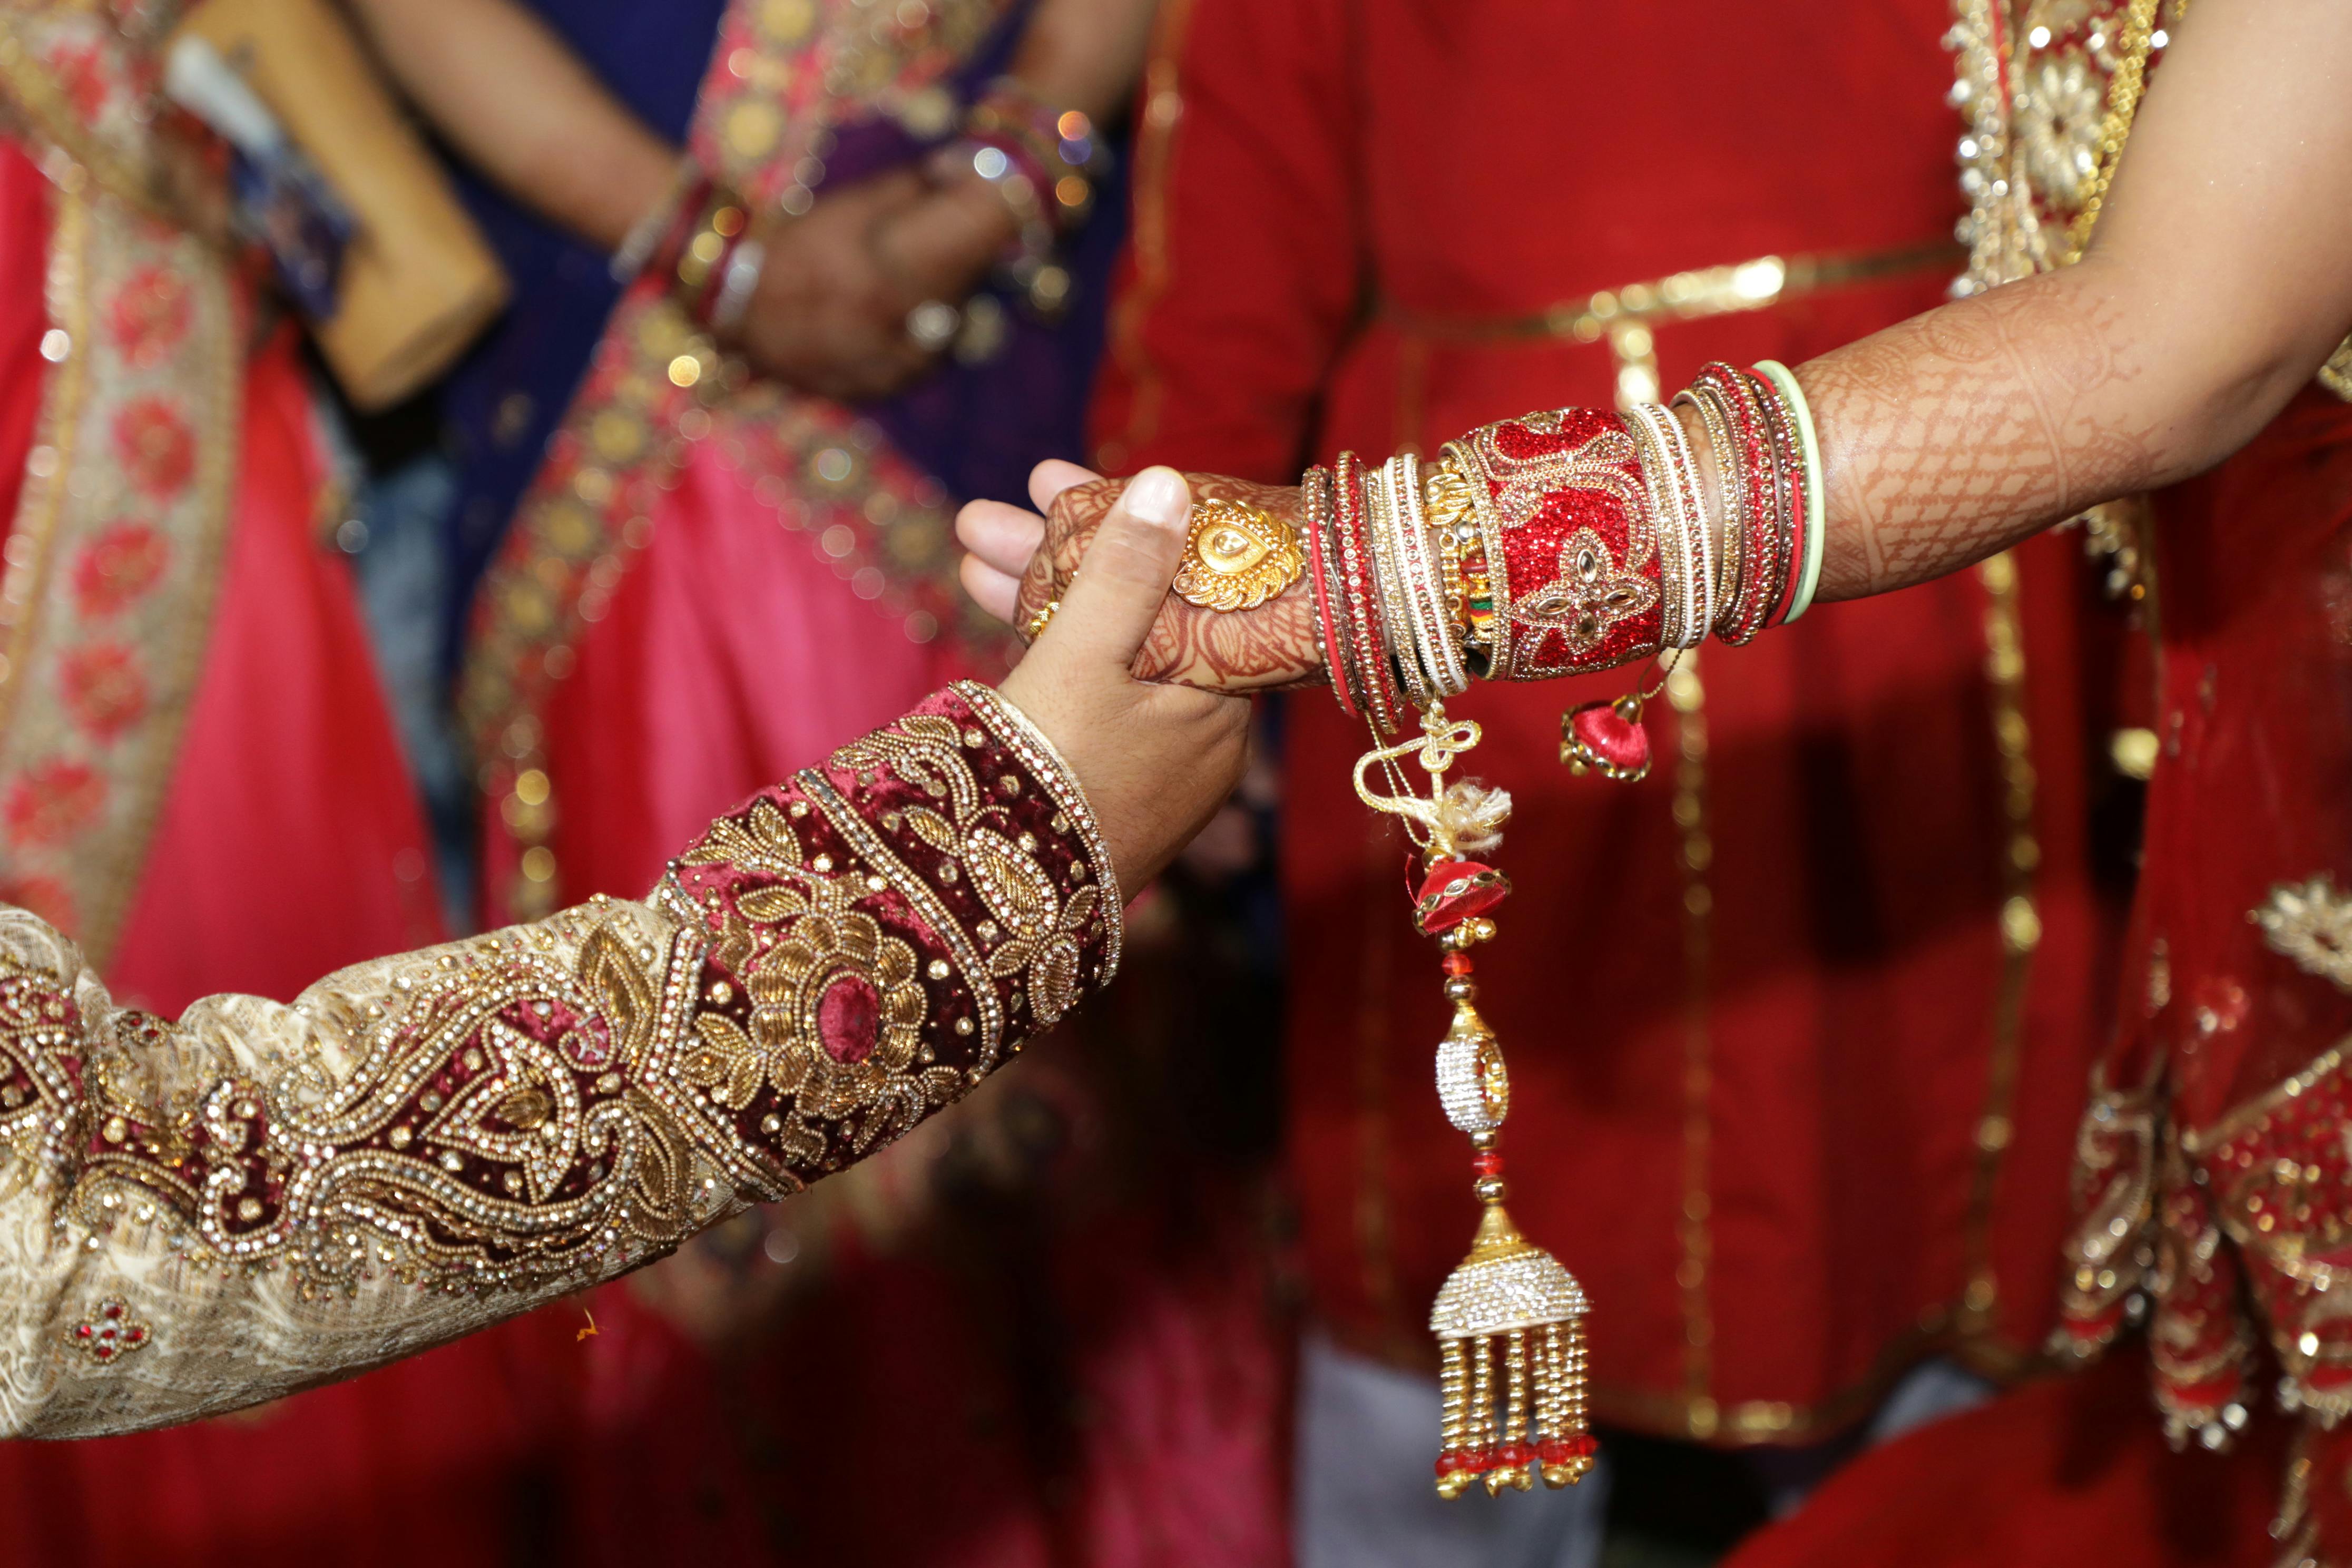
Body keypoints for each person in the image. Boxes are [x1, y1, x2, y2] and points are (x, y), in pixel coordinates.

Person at [957, 0, 2352, 1559]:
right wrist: (1164, 586)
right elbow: (1237, 202)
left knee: (1931, 1172)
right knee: (1463, 1222)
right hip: (1480, 587)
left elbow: (2173, 312)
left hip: (1950, 515)